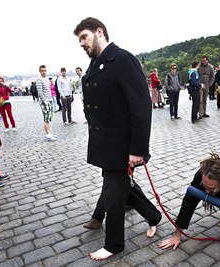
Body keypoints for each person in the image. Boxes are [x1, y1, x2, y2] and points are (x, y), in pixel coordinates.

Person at [74, 17, 162, 260]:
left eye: (84, 37)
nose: (81, 43)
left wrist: (138, 149)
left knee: (114, 195)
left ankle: (114, 245)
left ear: (99, 31)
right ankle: (154, 216)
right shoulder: (95, 64)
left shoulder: (123, 59)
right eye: (79, 40)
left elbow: (141, 106)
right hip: (105, 143)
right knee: (119, 186)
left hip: (122, 145)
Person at [36, 65, 57, 141]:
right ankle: (48, 135)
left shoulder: (47, 79)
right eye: (42, 71)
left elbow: (48, 90)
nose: (44, 72)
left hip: (49, 99)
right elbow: (40, 92)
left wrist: (50, 99)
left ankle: (49, 133)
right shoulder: (39, 80)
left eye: (45, 70)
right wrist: (45, 101)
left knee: (49, 117)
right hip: (45, 101)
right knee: (46, 118)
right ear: (40, 71)